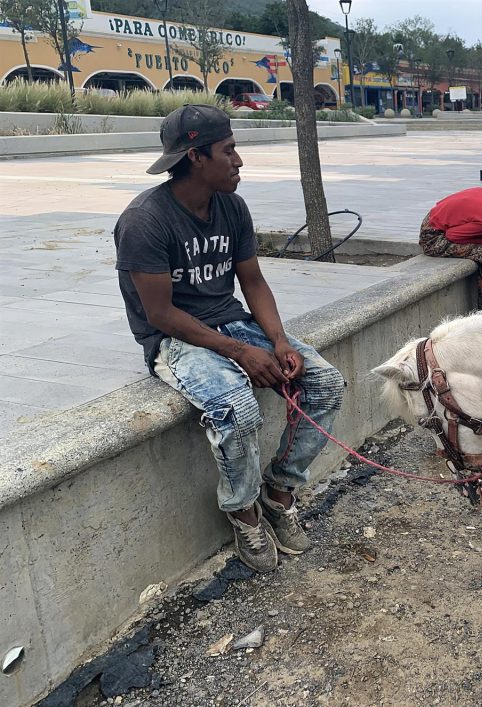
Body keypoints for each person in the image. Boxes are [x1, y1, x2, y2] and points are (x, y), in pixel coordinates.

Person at [113, 104, 347, 573]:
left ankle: (279, 495)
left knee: (326, 384)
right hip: (173, 340)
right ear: (196, 157)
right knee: (237, 409)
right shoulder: (145, 221)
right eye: (230, 150)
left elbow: (254, 282)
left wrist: (277, 341)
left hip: (230, 322)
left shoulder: (232, 207)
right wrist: (240, 352)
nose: (239, 161)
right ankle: (244, 512)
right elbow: (161, 314)